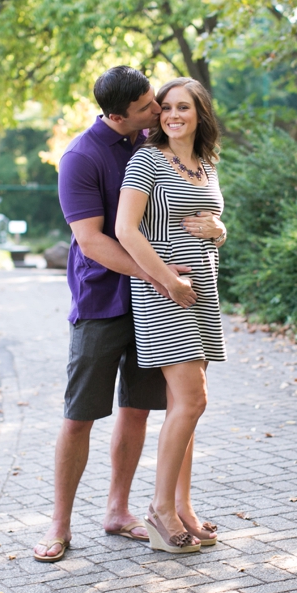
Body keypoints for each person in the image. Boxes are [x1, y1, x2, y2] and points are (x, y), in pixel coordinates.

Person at [34, 67, 224, 562]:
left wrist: (216, 229)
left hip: (164, 299)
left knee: (139, 410)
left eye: (157, 103)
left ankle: (119, 510)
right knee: (80, 415)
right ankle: (59, 525)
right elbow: (93, 241)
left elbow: (192, 201)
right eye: (148, 107)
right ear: (117, 115)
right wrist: (160, 276)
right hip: (105, 301)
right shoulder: (81, 158)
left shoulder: (154, 138)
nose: (158, 112)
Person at [115, 77, 227, 553]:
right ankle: (161, 511)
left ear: (200, 112)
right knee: (191, 401)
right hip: (166, 293)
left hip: (202, 294)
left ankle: (183, 508)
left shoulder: (205, 164)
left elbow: (209, 222)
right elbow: (125, 229)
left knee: (188, 408)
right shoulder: (147, 161)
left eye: (183, 107)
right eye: (166, 108)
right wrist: (167, 278)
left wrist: (220, 231)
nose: (172, 115)